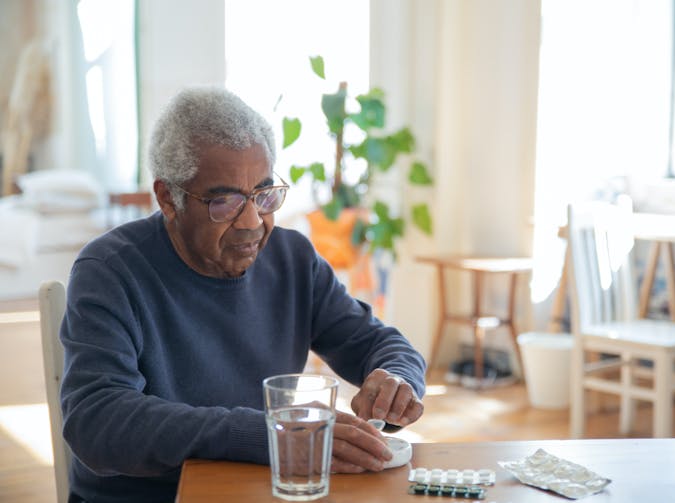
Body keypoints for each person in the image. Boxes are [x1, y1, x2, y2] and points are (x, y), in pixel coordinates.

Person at [59, 86, 426, 502]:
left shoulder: (292, 257)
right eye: (225, 202)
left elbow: (376, 341)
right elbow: (97, 420)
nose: (252, 221)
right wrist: (266, 433)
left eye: (264, 195)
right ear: (168, 198)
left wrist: (397, 378)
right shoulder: (110, 271)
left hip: (254, 490)